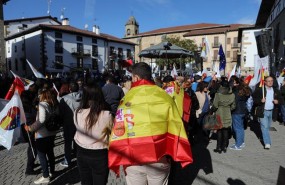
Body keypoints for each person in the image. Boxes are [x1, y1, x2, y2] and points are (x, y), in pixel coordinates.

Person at [108, 62, 193, 185]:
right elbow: (176, 124)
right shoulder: (165, 96)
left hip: (133, 158)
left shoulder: (126, 99)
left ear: (136, 77)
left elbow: (119, 128)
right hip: (160, 157)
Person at [74, 83, 113, 185]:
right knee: (100, 181)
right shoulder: (106, 114)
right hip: (99, 154)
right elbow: (112, 131)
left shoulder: (77, 112)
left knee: (85, 181)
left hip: (81, 151)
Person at [25, 89, 58, 184]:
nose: (39, 97)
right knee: (50, 153)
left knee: (42, 155)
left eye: (40, 95)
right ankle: (52, 171)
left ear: (43, 96)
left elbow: (41, 120)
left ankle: (46, 176)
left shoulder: (43, 104)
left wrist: (31, 128)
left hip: (43, 134)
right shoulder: (53, 103)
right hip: (52, 132)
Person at [252, 76, 283, 149]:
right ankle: (267, 143)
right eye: (268, 81)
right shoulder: (260, 90)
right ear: (265, 82)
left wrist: (277, 101)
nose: (270, 82)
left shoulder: (275, 90)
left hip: (272, 111)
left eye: (271, 81)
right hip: (263, 111)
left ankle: (264, 137)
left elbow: (281, 100)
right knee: (264, 127)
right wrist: (260, 101)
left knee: (268, 126)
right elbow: (254, 99)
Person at [59, 82, 82, 167]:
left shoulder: (64, 99)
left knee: (68, 143)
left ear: (70, 89)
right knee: (78, 141)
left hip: (68, 123)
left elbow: (61, 112)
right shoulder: (83, 97)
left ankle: (67, 160)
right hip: (80, 123)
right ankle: (79, 157)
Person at [212, 80, 236, 153]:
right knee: (226, 131)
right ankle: (224, 147)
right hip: (227, 112)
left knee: (219, 131)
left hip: (219, 112)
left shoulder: (218, 95)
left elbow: (215, 105)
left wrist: (213, 110)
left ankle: (218, 147)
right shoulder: (232, 95)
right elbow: (233, 106)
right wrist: (228, 108)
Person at [230, 78, 251, 150]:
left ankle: (238, 144)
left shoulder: (237, 91)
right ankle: (241, 142)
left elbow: (233, 101)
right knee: (241, 127)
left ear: (238, 84)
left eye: (235, 83)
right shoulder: (245, 90)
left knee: (237, 128)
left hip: (237, 111)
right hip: (243, 110)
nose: (233, 84)